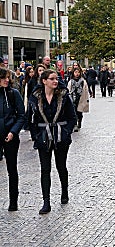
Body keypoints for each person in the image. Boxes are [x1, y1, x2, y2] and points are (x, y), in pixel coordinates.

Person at [28, 70, 77, 214]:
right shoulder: (35, 97)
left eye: (57, 79)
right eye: (52, 79)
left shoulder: (63, 96)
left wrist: (66, 132)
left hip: (61, 136)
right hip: (43, 136)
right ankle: (46, 202)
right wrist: (36, 136)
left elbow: (72, 118)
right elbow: (31, 119)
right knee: (45, 169)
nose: (55, 81)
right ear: (44, 81)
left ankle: (64, 192)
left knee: (61, 166)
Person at [0, 68, 26, 211]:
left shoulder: (13, 94)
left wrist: (13, 132)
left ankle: (13, 201)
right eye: (4, 77)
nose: (7, 80)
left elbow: (22, 115)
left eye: (8, 77)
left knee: (12, 169)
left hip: (10, 136)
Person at [67, 65, 89, 132]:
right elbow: (68, 89)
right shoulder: (71, 81)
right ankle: (75, 124)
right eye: (75, 72)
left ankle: (79, 121)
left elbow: (86, 90)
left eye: (78, 72)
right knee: (74, 112)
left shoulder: (83, 81)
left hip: (81, 98)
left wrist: (86, 99)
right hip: (73, 98)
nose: (77, 74)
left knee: (79, 113)